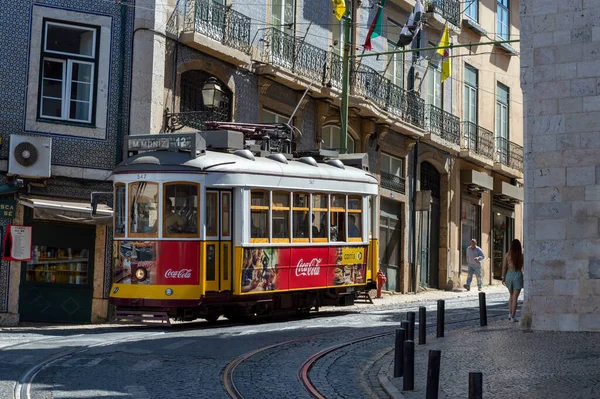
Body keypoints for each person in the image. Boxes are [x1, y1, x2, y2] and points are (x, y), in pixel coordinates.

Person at [502, 239, 524, 322]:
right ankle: (513, 317)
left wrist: (503, 277)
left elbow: (504, 267)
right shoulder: (521, 256)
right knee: (515, 298)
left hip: (509, 275)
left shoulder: (507, 255)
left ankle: (509, 314)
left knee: (511, 296)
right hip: (518, 274)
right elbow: (524, 267)